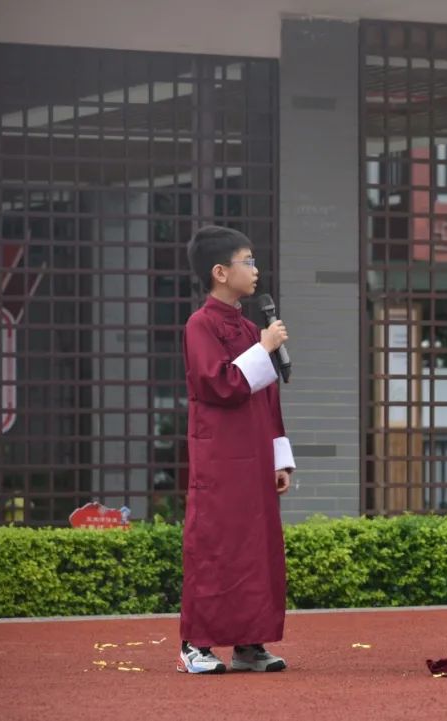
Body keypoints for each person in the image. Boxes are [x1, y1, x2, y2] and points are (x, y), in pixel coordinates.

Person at [178, 225, 294, 675]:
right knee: (214, 546)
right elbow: (217, 382)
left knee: (256, 548)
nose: (256, 269)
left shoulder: (249, 326)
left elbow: (268, 397)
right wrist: (263, 349)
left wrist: (279, 458)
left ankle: (249, 644)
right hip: (220, 457)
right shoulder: (200, 324)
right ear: (220, 272)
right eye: (248, 262)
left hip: (254, 455)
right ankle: (196, 643)